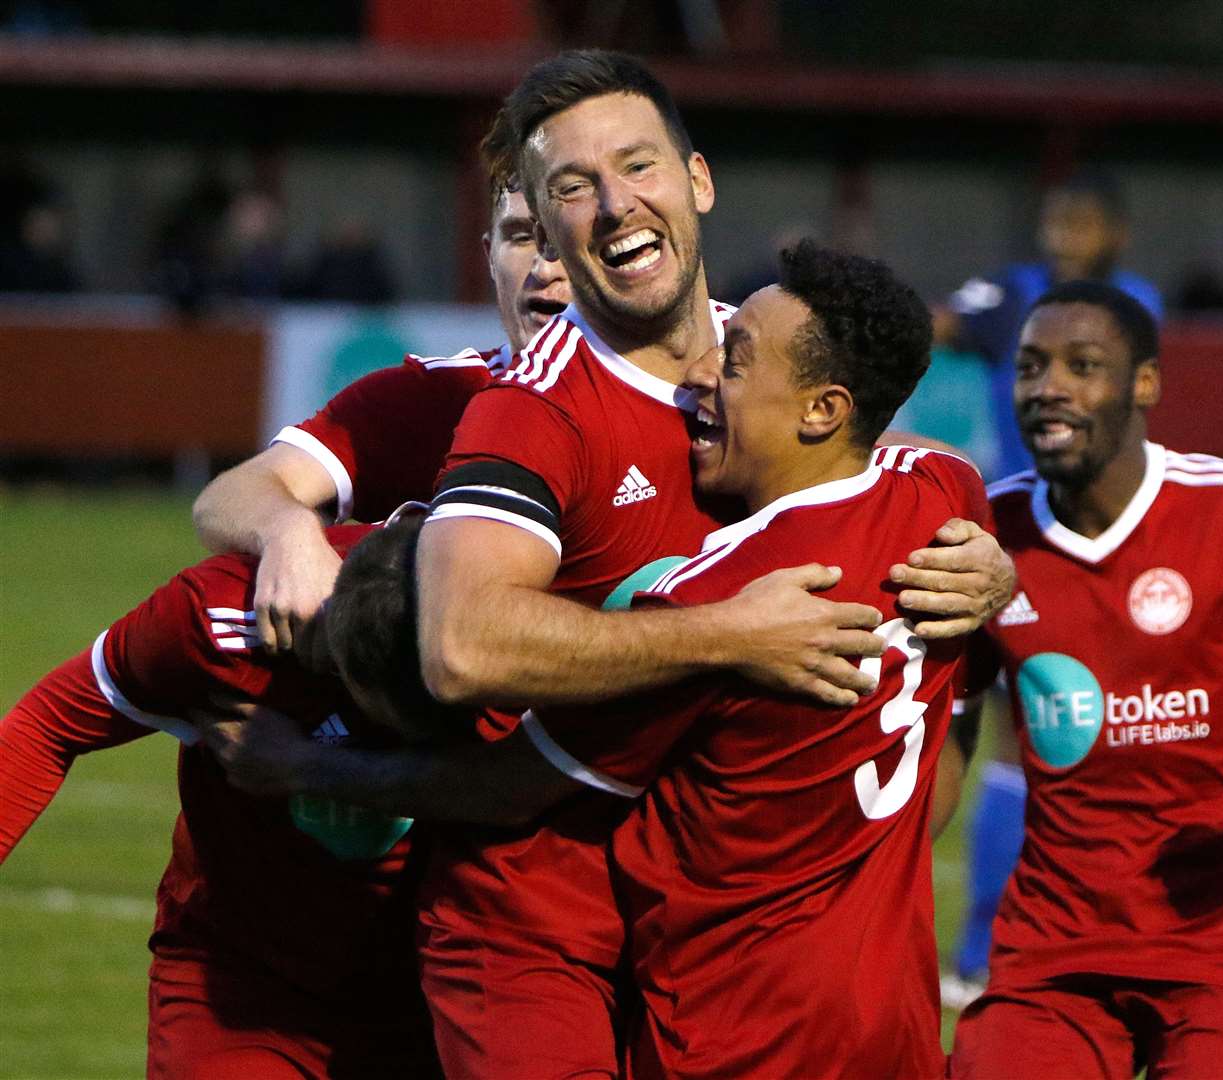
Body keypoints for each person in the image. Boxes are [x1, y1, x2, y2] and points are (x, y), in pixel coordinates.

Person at [210, 241, 988, 1077]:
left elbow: (508, 782)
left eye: (735, 362)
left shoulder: (721, 599)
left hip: (741, 1034)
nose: (700, 378)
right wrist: (998, 573)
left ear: (821, 410)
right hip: (894, 1023)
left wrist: (306, 766)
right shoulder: (940, 503)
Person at [411, 49, 1013, 1077]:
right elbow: (461, 644)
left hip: (728, 942)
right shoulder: (530, 412)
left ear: (697, 181)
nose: (612, 206)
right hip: (534, 921)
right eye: (571, 187)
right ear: (542, 228)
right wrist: (730, 636)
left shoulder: (777, 360)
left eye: (636, 166)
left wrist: (990, 580)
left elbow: (906, 485)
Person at [948, 281, 1223, 1079]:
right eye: (1030, 368)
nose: (1049, 387)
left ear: (1143, 384)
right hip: (1054, 946)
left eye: (1082, 366)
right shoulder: (987, 536)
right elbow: (952, 718)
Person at [0, 525, 444, 1080]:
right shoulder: (222, 620)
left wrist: (307, 765)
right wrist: (288, 527)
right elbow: (50, 723)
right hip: (243, 985)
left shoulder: (524, 606)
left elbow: (536, 783)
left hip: (445, 983)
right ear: (334, 650)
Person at [192, 119, 572, 658]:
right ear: (488, 253)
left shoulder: (700, 388)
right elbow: (226, 498)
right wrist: (291, 532)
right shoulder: (439, 394)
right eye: (519, 237)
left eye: (559, 238)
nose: (541, 267)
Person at [928, 169, 1164, 1002]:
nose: (1066, 234)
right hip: (1018, 535)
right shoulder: (1012, 293)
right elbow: (935, 325)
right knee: (1011, 738)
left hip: (1112, 534)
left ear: (1115, 232)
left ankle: (1095, 929)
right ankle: (981, 946)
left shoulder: (1132, 302)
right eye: (1057, 219)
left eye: (1083, 221)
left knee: (1115, 733)